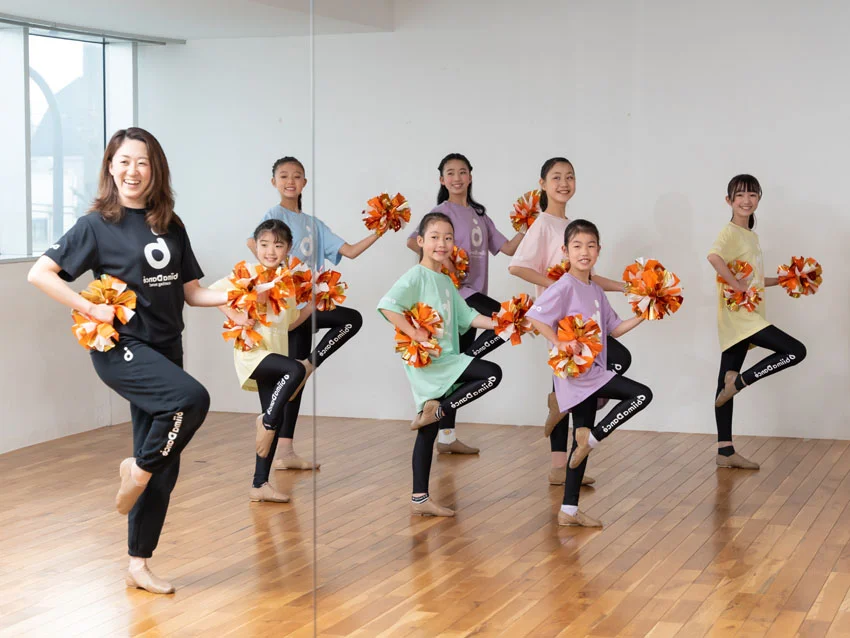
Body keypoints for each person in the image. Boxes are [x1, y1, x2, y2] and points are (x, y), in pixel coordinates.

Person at [27, 127, 232, 594]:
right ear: (110, 168)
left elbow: (194, 293)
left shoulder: (171, 224)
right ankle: (135, 469)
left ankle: (138, 564)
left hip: (166, 348)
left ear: (154, 168)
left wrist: (239, 296)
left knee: (168, 460)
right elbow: (41, 274)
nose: (132, 170)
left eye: (141, 161)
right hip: (121, 348)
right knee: (191, 400)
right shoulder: (95, 224)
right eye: (122, 161)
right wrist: (88, 307)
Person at [509, 158, 631, 486]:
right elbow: (517, 266)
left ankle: (561, 463)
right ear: (543, 184)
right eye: (556, 177)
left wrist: (623, 286)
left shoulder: (573, 225)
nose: (564, 183)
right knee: (575, 380)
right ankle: (559, 466)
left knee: (581, 380)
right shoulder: (543, 224)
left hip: (583, 322)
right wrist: (559, 288)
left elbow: (586, 275)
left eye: (570, 177)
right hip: (560, 320)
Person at [527, 219, 651, 527]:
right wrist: (559, 343)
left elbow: (615, 330)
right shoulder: (564, 287)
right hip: (576, 376)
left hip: (593, 373)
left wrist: (644, 313)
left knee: (578, 442)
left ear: (598, 251)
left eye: (590, 246)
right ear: (565, 251)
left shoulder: (595, 290)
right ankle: (592, 439)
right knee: (640, 395)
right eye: (577, 246)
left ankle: (569, 511)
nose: (584, 252)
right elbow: (536, 317)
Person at [379, 213, 502, 516]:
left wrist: (503, 323)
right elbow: (387, 305)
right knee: (490, 374)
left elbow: (469, 317)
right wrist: (414, 332)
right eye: (434, 237)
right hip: (433, 363)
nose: (442, 243)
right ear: (420, 242)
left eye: (448, 237)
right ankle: (441, 410)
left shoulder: (447, 281)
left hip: (448, 358)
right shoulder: (415, 276)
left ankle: (419, 498)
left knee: (427, 429)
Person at [405, 153, 523, 455]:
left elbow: (507, 248)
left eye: (462, 172)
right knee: (507, 319)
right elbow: (413, 242)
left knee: (460, 362)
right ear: (442, 180)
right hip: (457, 295)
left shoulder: (480, 215)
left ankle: (446, 438)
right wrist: (444, 265)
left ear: (470, 176)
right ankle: (463, 365)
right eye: (450, 173)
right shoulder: (440, 211)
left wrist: (528, 225)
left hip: (469, 302)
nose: (457, 178)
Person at [707, 174, 806, 470]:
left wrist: (788, 279)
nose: (746, 200)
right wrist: (735, 284)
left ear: (758, 199)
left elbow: (755, 280)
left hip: (747, 314)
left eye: (752, 195)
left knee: (724, 384)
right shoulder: (730, 231)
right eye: (739, 195)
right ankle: (740, 382)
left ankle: (725, 452)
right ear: (729, 201)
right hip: (741, 316)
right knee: (795, 350)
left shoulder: (751, 236)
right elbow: (713, 257)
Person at [211, 219, 313, 503]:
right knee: (296, 369)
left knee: (276, 419)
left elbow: (290, 323)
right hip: (252, 352)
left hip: (275, 351)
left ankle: (259, 484)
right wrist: (236, 316)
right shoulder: (247, 272)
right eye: (265, 244)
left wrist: (312, 307)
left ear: (288, 249)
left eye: (278, 245)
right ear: (255, 246)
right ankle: (266, 421)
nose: (271, 251)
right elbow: (214, 293)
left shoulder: (289, 281)